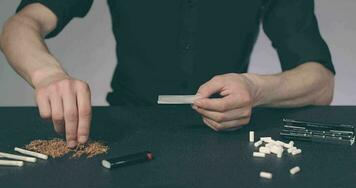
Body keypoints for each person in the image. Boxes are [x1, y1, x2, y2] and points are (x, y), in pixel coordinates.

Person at [0, 0, 335, 148]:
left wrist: (256, 88)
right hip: (125, 129)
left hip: (226, 139)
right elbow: (21, 25)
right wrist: (48, 75)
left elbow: (321, 82)